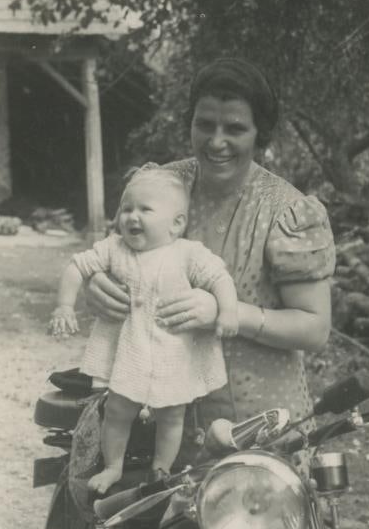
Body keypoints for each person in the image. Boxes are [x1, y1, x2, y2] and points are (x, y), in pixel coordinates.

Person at [83, 57, 336, 451]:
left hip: (257, 427)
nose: (216, 142)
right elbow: (118, 256)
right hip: (159, 422)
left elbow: (315, 329)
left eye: (235, 128)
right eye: (205, 125)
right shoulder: (160, 186)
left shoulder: (286, 212)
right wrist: (97, 284)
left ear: (260, 134)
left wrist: (226, 312)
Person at [50, 167, 238, 494]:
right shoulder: (114, 248)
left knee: (172, 416)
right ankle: (113, 467)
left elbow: (219, 277)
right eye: (126, 209)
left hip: (173, 352)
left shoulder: (187, 254)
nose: (132, 217)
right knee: (117, 411)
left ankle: (160, 469)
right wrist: (64, 305)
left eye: (144, 210)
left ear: (175, 224)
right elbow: (77, 266)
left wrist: (228, 310)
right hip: (131, 352)